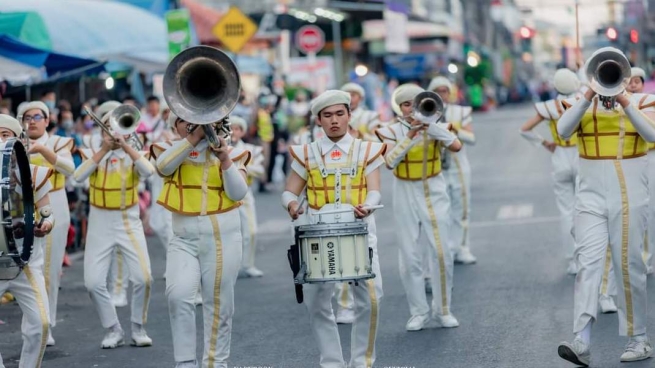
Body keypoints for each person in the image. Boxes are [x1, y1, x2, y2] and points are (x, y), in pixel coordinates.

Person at [556, 48, 655, 366]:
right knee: (587, 264)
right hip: (589, 195)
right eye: (601, 71)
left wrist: (624, 100)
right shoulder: (580, 104)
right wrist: (588, 93)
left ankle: (638, 338)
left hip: (630, 193)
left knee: (629, 266)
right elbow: (563, 130)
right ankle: (581, 340)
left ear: (626, 74)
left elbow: (652, 133)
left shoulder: (643, 101)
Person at [283, 90, 386, 367]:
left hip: (359, 227)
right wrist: (293, 206)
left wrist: (368, 205)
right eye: (327, 116)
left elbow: (375, 190)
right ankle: (331, 362)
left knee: (371, 298)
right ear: (318, 120)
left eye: (340, 114)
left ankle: (362, 362)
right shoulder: (307, 152)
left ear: (349, 115)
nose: (334, 121)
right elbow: (289, 192)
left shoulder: (367, 149)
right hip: (318, 231)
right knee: (316, 301)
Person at [153, 113, 250, 368]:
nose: (192, 123)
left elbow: (238, 192)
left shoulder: (232, 151)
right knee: (178, 295)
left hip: (223, 237)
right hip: (183, 238)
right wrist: (194, 137)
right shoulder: (168, 149)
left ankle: (215, 363)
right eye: (185, 120)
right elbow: (162, 167)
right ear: (175, 126)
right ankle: (185, 362)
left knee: (219, 304)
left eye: (198, 119)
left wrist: (225, 158)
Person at [375, 84, 462, 331]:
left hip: (435, 190)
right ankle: (418, 312)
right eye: (405, 104)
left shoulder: (438, 128)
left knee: (442, 252)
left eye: (416, 103)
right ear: (399, 108)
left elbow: (456, 146)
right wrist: (411, 134)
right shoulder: (389, 130)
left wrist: (430, 125)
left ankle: (443, 309)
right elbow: (390, 162)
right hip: (405, 193)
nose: (411, 109)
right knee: (410, 255)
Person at [74, 110, 154, 349]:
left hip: (128, 220)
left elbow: (149, 172)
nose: (113, 131)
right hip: (99, 222)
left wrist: (127, 148)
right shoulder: (91, 152)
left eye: (117, 126)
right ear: (101, 129)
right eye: (107, 126)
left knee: (144, 277)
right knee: (93, 282)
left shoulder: (136, 153)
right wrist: (104, 150)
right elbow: (78, 177)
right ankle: (112, 328)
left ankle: (138, 326)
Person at [0, 114, 54, 368]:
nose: (0, 142)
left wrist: (46, 224)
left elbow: (47, 212)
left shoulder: (35, 173)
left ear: (18, 140)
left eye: (5, 135)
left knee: (41, 324)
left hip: (26, 260)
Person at [19, 101, 75, 346]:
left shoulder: (59, 142)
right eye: (27, 117)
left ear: (47, 119)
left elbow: (69, 168)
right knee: (26, 272)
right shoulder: (14, 142)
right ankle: (32, 323)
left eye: (37, 116)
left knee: (50, 270)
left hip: (55, 205)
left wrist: (43, 149)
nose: (32, 121)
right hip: (22, 209)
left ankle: (47, 323)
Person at [519, 69, 581, 275]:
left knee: (566, 212)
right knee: (586, 211)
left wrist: (545, 143)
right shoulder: (583, 101)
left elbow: (524, 129)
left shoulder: (549, 107)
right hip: (582, 156)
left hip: (560, 155)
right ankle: (586, 257)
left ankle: (572, 261)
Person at [429, 76, 477, 264]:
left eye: (445, 91)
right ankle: (445, 249)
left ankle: (462, 248)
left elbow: (472, 138)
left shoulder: (461, 111)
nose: (442, 95)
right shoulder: (426, 113)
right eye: (438, 91)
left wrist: (452, 129)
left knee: (462, 208)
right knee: (440, 211)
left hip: (458, 167)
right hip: (436, 169)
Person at [229, 116, 266, 278]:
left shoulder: (251, 149)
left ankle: (248, 265)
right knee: (227, 233)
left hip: (245, 193)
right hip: (224, 194)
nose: (234, 132)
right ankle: (229, 267)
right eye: (231, 128)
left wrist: (241, 166)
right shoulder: (220, 148)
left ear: (242, 131)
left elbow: (260, 171)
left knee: (251, 230)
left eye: (237, 128)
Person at [629, 67, 654, 274]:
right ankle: (634, 256)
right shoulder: (619, 104)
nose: (633, 85)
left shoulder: (650, 100)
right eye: (629, 81)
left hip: (651, 157)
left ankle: (647, 258)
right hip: (632, 160)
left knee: (650, 210)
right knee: (634, 210)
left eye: (637, 81)